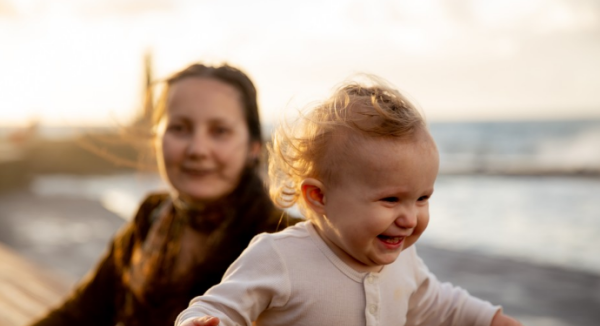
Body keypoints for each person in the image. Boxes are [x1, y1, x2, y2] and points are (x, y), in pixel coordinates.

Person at [175, 76, 523, 326]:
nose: (409, 217)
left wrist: (491, 319)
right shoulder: (279, 257)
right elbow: (222, 306)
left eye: (422, 198)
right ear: (319, 196)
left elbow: (439, 306)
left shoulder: (403, 262)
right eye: (390, 199)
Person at [29, 63, 299, 326]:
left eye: (219, 131)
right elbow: (81, 314)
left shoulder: (288, 241)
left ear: (253, 147)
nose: (197, 149)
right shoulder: (151, 216)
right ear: (156, 137)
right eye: (179, 128)